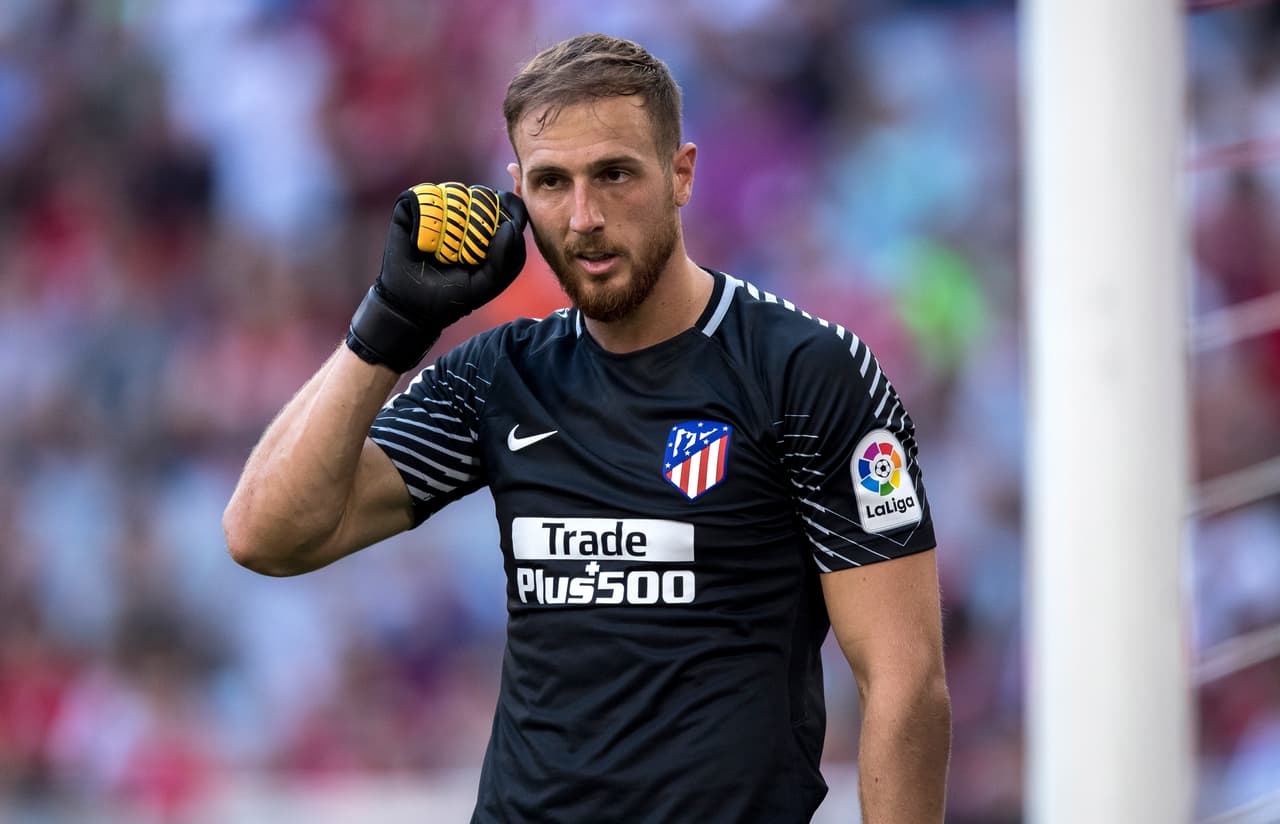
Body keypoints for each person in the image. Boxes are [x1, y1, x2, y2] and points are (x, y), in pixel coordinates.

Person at [224, 32, 950, 824]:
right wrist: (389, 325)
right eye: (551, 182)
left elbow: (905, 681)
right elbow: (268, 535)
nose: (583, 216)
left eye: (613, 174)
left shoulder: (803, 372)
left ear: (681, 173)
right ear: (516, 191)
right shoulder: (500, 375)